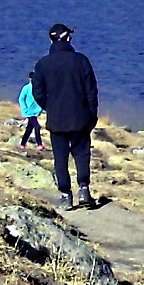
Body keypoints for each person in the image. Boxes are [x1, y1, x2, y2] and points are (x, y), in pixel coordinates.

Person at [30, 22, 99, 210]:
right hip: (80, 117)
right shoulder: (81, 60)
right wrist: (92, 114)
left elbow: (38, 92)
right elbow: (91, 91)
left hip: (57, 118)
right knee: (81, 153)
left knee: (60, 157)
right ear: (67, 38)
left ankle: (65, 195)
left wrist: (50, 107)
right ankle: (84, 189)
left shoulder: (43, 64)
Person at [16, 80, 46, 150]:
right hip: (29, 112)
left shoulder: (40, 88)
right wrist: (25, 108)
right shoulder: (26, 88)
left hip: (35, 112)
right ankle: (39, 144)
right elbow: (21, 98)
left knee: (29, 129)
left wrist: (42, 108)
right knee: (37, 126)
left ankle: (22, 144)